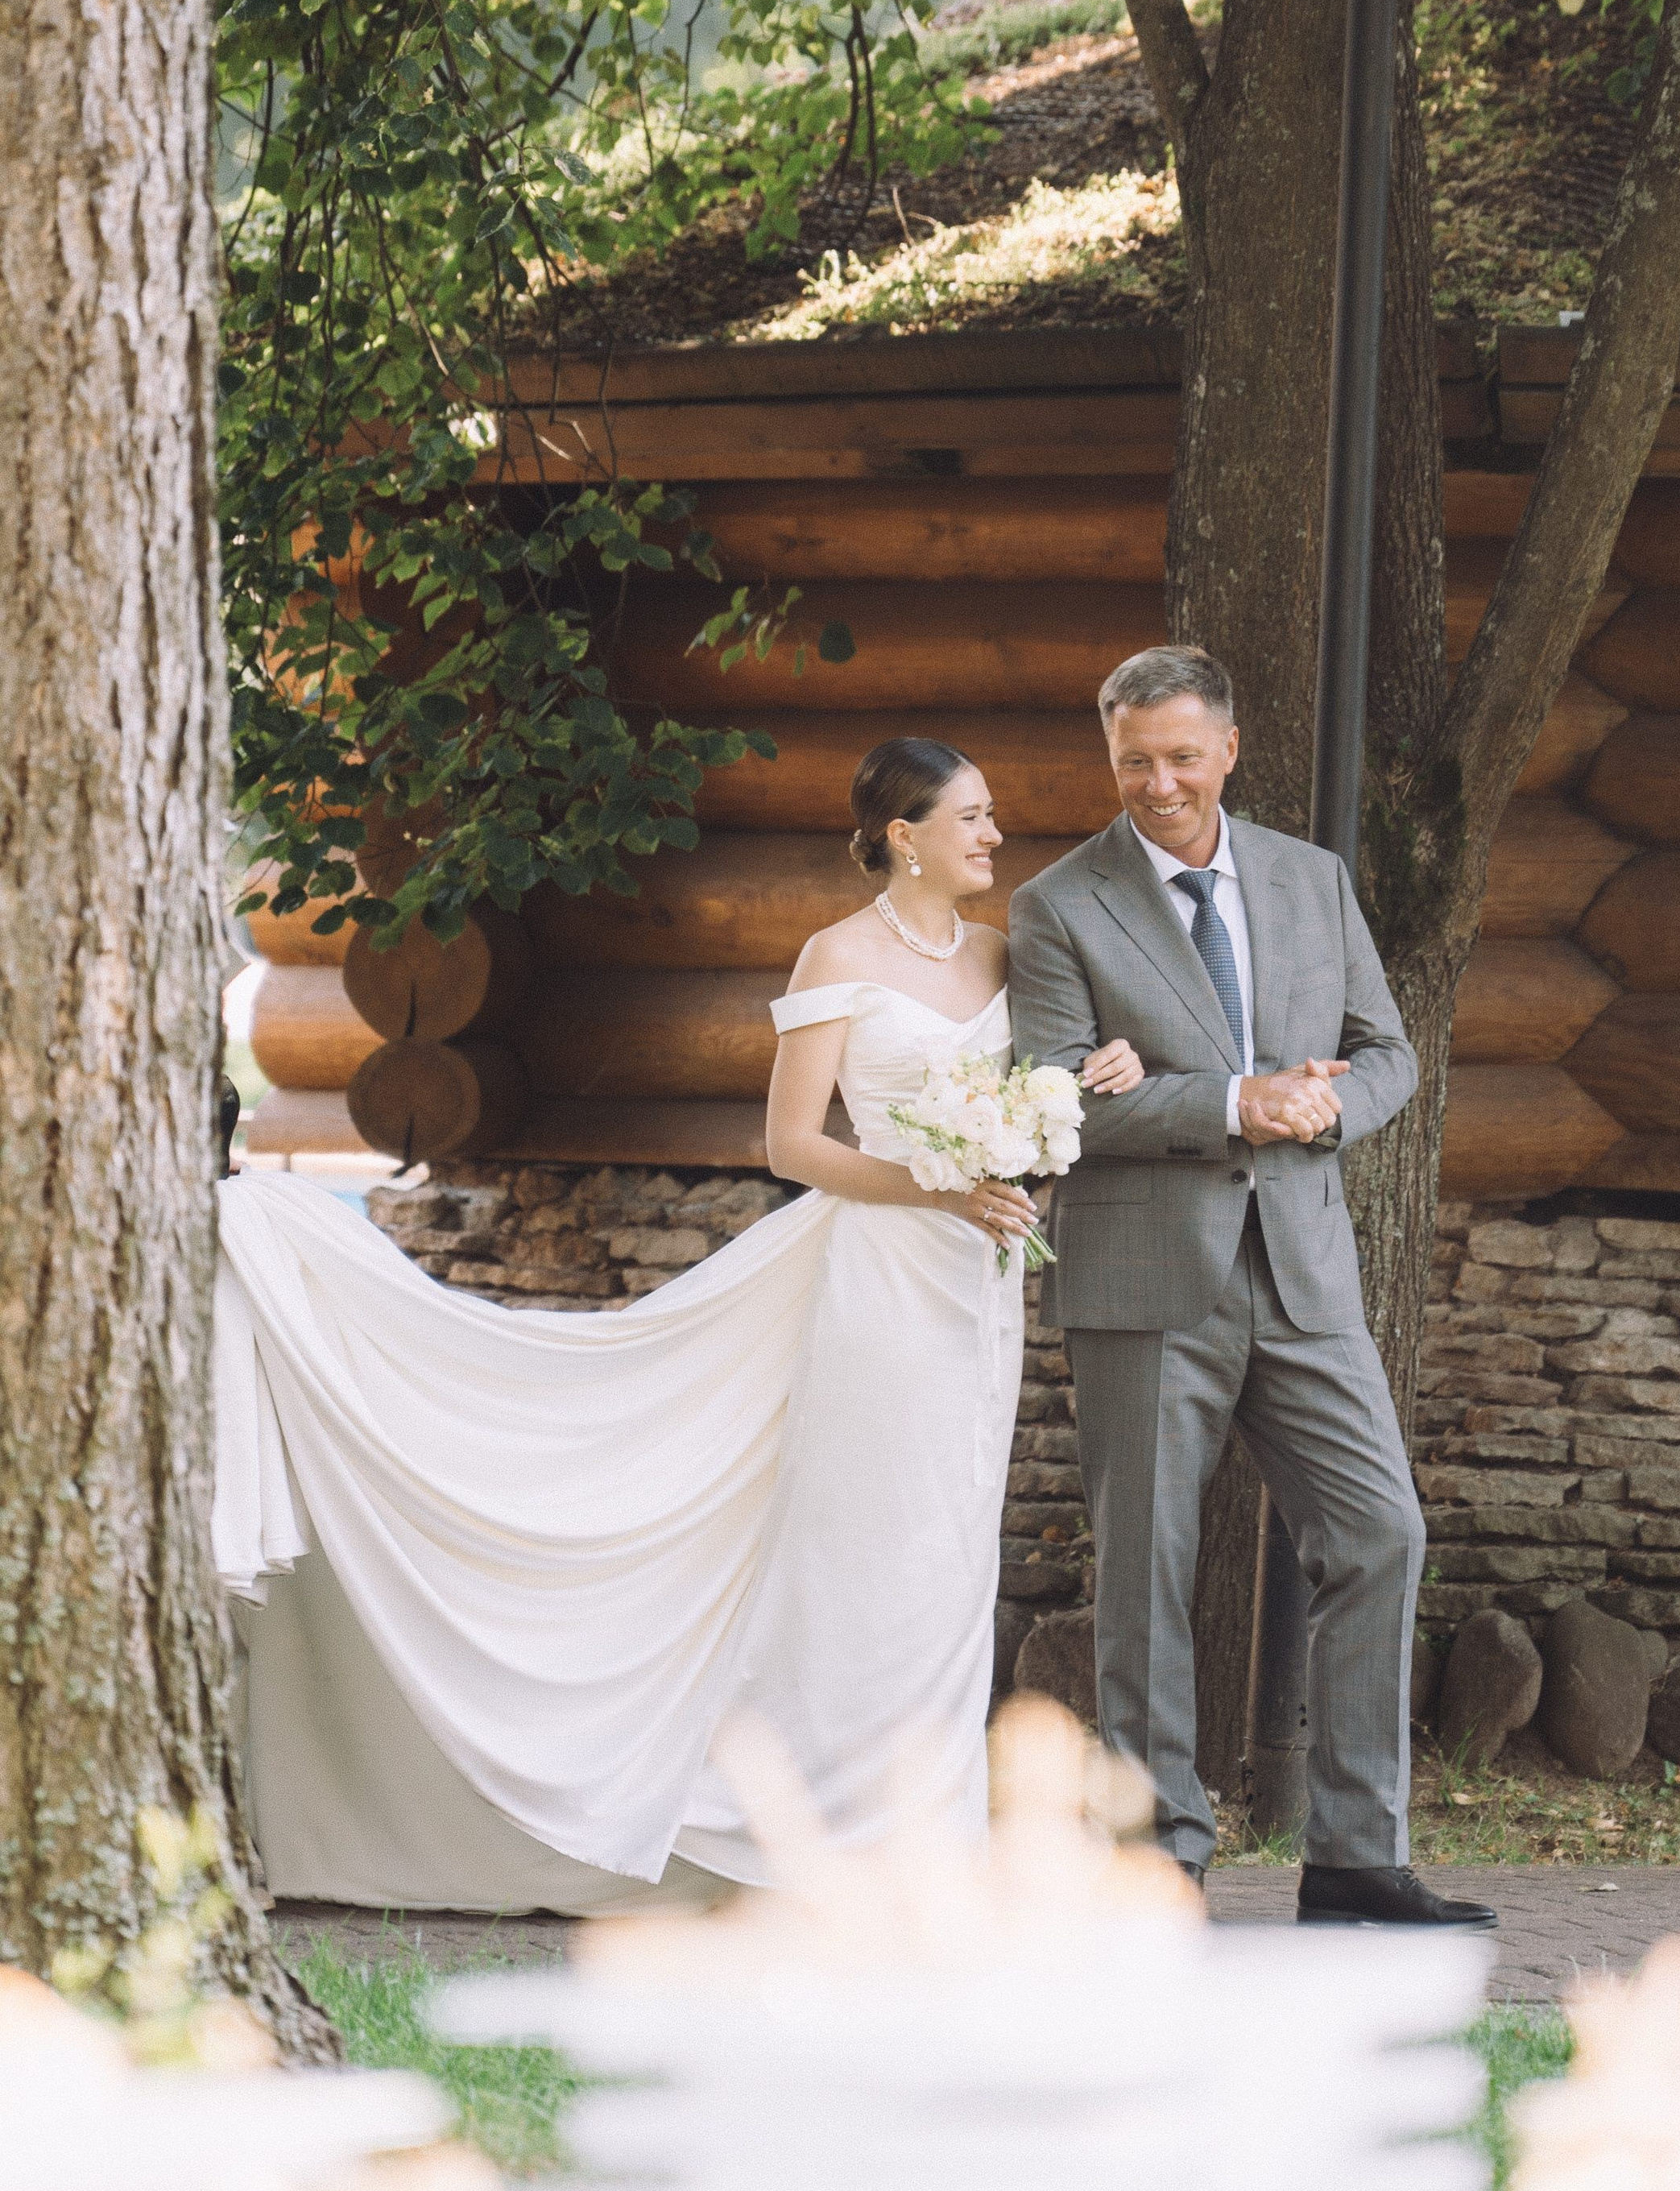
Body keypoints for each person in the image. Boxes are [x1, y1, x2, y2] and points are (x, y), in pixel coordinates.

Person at [214, 737, 1142, 1911]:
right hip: (877, 1281)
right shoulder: (839, 956)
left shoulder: (1009, 954)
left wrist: (1093, 1075)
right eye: (972, 817)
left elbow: (1045, 1081)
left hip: (978, 1287)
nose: (994, 837)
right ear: (904, 836)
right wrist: (935, 1189)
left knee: (952, 1550)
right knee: (872, 1551)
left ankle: (926, 1829)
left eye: (991, 816)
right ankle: (803, 1828)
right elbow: (792, 1145)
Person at [1007, 647, 1496, 1931]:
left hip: (1304, 1271)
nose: (1158, 783)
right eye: (1133, 760)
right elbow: (1052, 1101)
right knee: (1148, 1576)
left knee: (1381, 1529)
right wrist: (1236, 1101)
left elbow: (1389, 1048)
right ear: (1108, 757)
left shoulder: (1310, 878)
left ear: (1229, 749)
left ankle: (1352, 1859)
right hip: (1144, 1277)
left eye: (1180, 756)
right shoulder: (1061, 905)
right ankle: (1160, 1855)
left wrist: (1321, 1111)